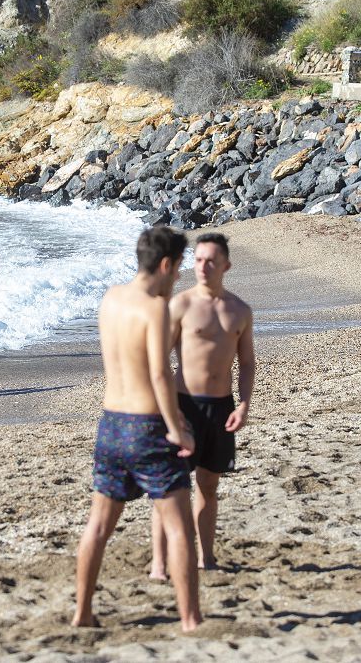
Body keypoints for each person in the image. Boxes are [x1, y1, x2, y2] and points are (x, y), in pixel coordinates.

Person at [73, 226, 202, 633]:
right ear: (165, 264)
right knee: (179, 527)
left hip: (111, 423)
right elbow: (161, 376)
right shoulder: (155, 308)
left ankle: (82, 612)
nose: (178, 277)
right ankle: (190, 618)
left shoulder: (110, 298)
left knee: (98, 526)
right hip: (147, 426)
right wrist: (176, 427)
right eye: (178, 268)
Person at [149, 233, 255, 578]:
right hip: (183, 406)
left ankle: (205, 557)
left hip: (221, 408)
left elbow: (248, 362)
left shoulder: (240, 310)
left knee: (209, 485)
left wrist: (243, 405)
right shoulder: (180, 305)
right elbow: (159, 361)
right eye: (197, 260)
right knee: (171, 487)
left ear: (226, 265)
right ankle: (160, 563)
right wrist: (167, 410)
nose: (202, 267)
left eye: (210, 260)